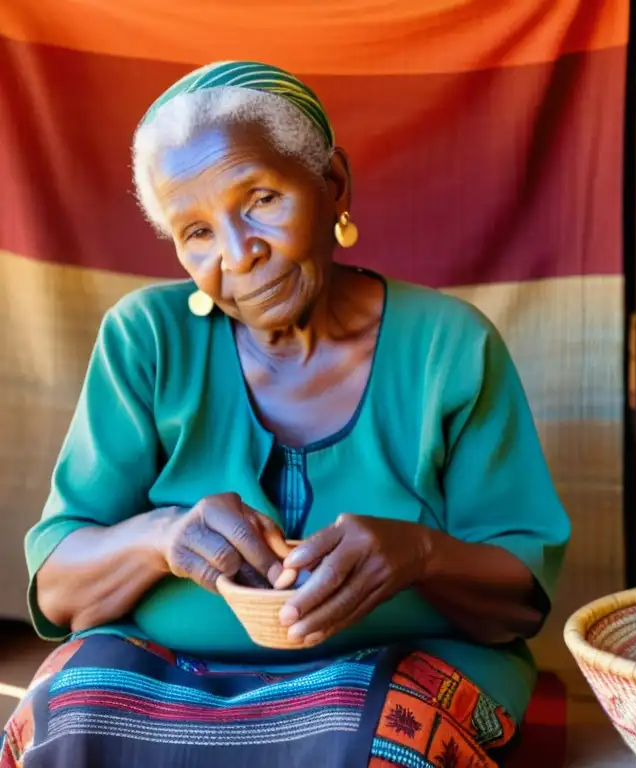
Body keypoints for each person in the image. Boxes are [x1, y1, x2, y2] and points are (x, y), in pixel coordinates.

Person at [2, 61, 570, 768]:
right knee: (63, 720)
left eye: (261, 198)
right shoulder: (145, 337)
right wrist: (163, 537)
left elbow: (521, 599)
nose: (239, 256)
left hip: (387, 669)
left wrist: (419, 555)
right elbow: (58, 588)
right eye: (196, 232)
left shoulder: (448, 346)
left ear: (333, 183)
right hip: (171, 671)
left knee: (385, 742)